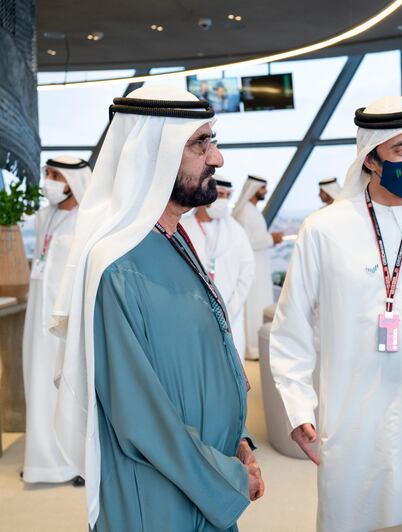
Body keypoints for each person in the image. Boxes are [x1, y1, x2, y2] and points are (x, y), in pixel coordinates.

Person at [50, 85, 264, 531]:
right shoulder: (117, 266)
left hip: (205, 470)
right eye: (199, 144)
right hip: (159, 493)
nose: (217, 159)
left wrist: (238, 441)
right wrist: (226, 475)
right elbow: (140, 418)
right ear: (154, 155)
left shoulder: (174, 238)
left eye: (213, 141)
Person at [269, 96, 402, 531]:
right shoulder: (325, 230)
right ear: (371, 159)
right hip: (353, 417)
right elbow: (290, 328)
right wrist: (299, 409)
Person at [21, 156, 90, 486]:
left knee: (65, 387)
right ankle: (40, 460)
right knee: (36, 383)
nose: (47, 180)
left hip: (65, 323)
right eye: (47, 173)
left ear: (73, 182)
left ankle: (71, 463)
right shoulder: (45, 217)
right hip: (37, 319)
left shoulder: (85, 222)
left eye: (55, 175)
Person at [183, 177, 255, 362]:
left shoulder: (236, 231)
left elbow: (246, 274)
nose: (223, 200)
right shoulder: (183, 228)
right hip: (192, 317)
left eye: (226, 196)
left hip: (231, 315)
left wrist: (229, 309)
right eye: (219, 194)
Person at [233, 175, 283, 360]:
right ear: (254, 189)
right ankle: (253, 347)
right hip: (252, 267)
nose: (266, 192)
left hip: (260, 265)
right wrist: (272, 239)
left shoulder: (251, 210)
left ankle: (257, 345)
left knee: (259, 302)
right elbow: (248, 241)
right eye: (263, 188)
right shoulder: (246, 212)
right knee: (254, 305)